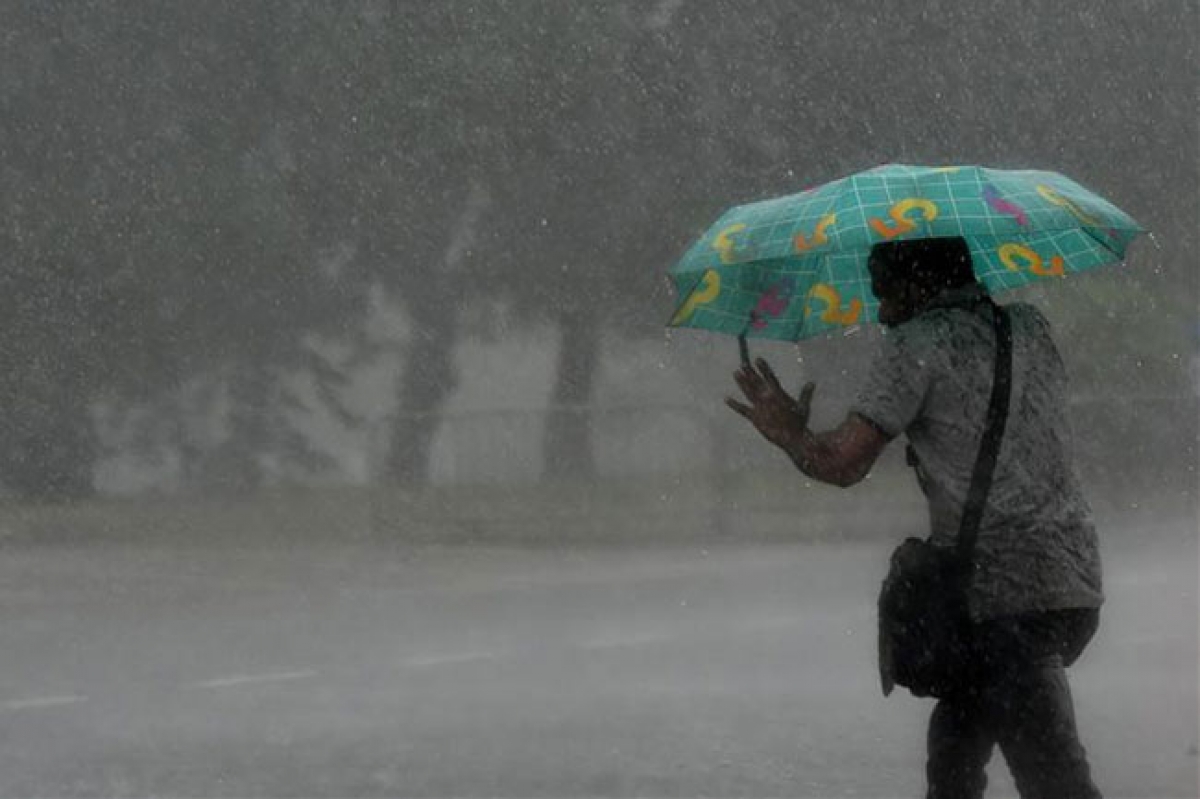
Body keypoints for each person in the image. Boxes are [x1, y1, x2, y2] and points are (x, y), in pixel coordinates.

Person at [727, 236, 1105, 799]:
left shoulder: (918, 343)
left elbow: (843, 462)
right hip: (1071, 578)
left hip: (996, 596)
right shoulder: (1030, 326)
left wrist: (790, 435)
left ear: (918, 283)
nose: (881, 311)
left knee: (1054, 781)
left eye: (885, 294)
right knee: (955, 753)